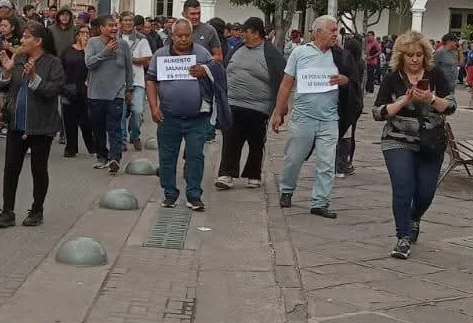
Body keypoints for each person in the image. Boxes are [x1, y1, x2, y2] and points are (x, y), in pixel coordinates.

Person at [372, 30, 456, 260]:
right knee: (403, 187)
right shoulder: (392, 78)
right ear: (401, 56)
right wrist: (403, 101)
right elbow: (378, 112)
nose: (414, 59)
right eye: (409, 55)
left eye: (418, 54)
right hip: (397, 139)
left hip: (431, 141)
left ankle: (414, 217)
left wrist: (430, 98)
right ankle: (403, 237)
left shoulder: (435, 75)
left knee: (426, 192)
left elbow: (451, 106)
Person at [273, 16, 359, 218]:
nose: (336, 34)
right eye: (332, 30)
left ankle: (321, 202)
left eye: (337, 30)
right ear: (318, 32)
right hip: (303, 117)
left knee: (327, 163)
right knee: (294, 158)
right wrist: (279, 111)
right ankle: (287, 190)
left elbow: (353, 80)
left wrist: (345, 80)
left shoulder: (340, 57)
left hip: (329, 119)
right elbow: (286, 83)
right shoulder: (299, 53)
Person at [0, 22, 64, 229]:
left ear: (38, 41)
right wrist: (6, 73)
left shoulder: (53, 63)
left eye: (26, 37)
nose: (21, 41)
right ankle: (7, 212)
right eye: (22, 37)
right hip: (17, 124)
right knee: (10, 168)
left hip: (41, 126)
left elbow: (53, 90)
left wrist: (34, 77)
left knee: (39, 169)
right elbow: (5, 87)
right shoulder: (19, 59)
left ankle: (37, 210)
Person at [147, 19, 213, 210]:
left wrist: (204, 71)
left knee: (195, 157)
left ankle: (194, 195)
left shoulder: (202, 53)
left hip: (197, 117)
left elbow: (216, 76)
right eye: (179, 35)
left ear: (191, 35)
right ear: (172, 36)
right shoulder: (160, 55)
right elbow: (151, 81)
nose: (183, 39)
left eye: (187, 35)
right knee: (167, 157)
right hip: (168, 117)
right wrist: (153, 107)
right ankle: (170, 194)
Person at [215, 17, 285, 190]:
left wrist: (280, 109)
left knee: (256, 142)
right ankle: (226, 174)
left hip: (258, 108)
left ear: (255, 33)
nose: (241, 35)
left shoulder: (271, 53)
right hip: (233, 103)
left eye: (245, 32)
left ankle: (253, 175)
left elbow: (284, 80)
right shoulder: (238, 48)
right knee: (230, 139)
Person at [85, 15, 133, 172]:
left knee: (114, 127)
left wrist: (129, 89)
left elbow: (128, 69)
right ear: (101, 28)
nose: (114, 28)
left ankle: (115, 158)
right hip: (96, 93)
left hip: (116, 93)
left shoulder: (123, 45)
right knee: (98, 128)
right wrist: (105, 52)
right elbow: (89, 63)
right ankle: (102, 156)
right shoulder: (92, 42)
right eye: (110, 25)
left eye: (115, 25)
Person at [119, 11, 152, 151]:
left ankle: (135, 134)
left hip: (137, 81)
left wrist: (130, 60)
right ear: (121, 22)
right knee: (120, 112)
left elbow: (147, 60)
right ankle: (122, 139)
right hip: (119, 82)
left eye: (130, 20)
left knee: (137, 111)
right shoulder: (115, 38)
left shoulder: (141, 39)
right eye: (125, 20)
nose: (128, 22)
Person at [60, 25, 95, 157]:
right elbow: (61, 67)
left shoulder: (90, 51)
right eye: (83, 32)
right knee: (69, 120)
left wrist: (86, 49)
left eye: (87, 33)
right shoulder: (68, 50)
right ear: (76, 35)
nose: (85, 35)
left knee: (86, 120)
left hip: (85, 88)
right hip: (69, 88)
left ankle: (92, 146)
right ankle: (71, 148)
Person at [337, 36, 366, 177]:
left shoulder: (344, 62)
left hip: (346, 99)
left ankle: (339, 163)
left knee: (342, 132)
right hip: (356, 99)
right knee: (350, 132)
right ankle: (347, 161)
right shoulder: (360, 63)